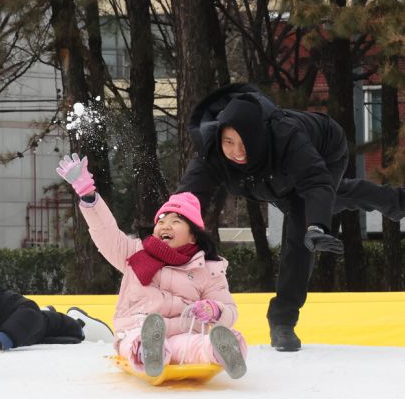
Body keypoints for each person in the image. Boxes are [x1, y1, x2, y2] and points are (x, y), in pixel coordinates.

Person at [178, 83, 405, 352]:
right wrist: (168, 229)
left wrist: (317, 226)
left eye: (243, 143)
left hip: (326, 150)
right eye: (229, 142)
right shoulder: (213, 153)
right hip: (275, 177)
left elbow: (315, 182)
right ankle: (398, 201)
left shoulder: (287, 137)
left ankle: (282, 322)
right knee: (332, 198)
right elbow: (187, 198)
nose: (236, 151)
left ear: (256, 138)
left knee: (302, 226)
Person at [57, 154, 248, 379]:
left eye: (176, 221)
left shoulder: (207, 269)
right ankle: (146, 350)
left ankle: (221, 349)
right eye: (161, 221)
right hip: (137, 325)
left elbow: (230, 310)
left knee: (192, 346)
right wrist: (88, 195)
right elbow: (106, 233)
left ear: (193, 236)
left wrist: (214, 310)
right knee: (133, 340)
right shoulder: (134, 253)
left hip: (183, 329)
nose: (165, 226)